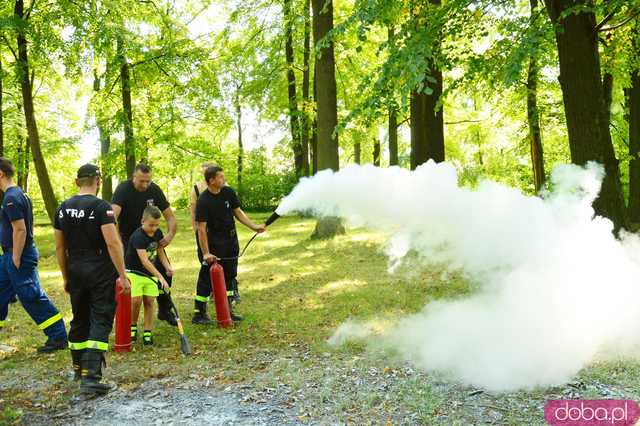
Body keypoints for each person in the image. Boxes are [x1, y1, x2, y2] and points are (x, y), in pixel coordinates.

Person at [54, 164, 131, 396]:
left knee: (80, 318)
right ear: (98, 180)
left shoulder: (62, 208)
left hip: (75, 267)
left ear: (78, 182)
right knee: (101, 317)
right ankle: (92, 376)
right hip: (99, 269)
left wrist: (66, 276)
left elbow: (60, 247)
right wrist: (123, 275)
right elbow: (112, 243)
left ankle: (78, 369)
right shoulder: (101, 207)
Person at [0, 157, 68, 352]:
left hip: (18, 255)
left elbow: (20, 230)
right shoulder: (17, 194)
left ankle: (58, 337)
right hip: (9, 256)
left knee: (32, 296)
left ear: (1, 173)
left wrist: (16, 258)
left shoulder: (11, 197)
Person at [193, 165, 265, 324]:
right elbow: (201, 229)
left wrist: (254, 226)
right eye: (220, 177)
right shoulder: (203, 201)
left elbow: (238, 212)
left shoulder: (228, 192)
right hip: (213, 245)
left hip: (230, 242)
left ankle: (228, 310)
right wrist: (206, 253)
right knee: (206, 277)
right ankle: (199, 312)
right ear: (211, 180)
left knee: (230, 275)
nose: (223, 179)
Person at [111, 163, 178, 326]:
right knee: (128, 280)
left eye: (148, 181)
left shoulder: (154, 190)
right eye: (142, 181)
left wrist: (169, 235)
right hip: (128, 242)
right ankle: (124, 319)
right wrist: (116, 241)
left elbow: (170, 216)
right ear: (134, 176)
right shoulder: (123, 190)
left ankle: (164, 309)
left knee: (165, 272)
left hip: (150, 241)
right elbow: (112, 217)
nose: (145, 185)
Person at [125, 206, 172, 346]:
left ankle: (147, 331)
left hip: (149, 274)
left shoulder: (157, 233)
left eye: (157, 225)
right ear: (142, 221)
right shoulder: (138, 237)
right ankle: (132, 327)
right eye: (151, 225)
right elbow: (145, 261)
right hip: (134, 272)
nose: (154, 228)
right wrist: (161, 277)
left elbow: (160, 251)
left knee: (150, 300)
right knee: (136, 300)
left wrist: (167, 267)